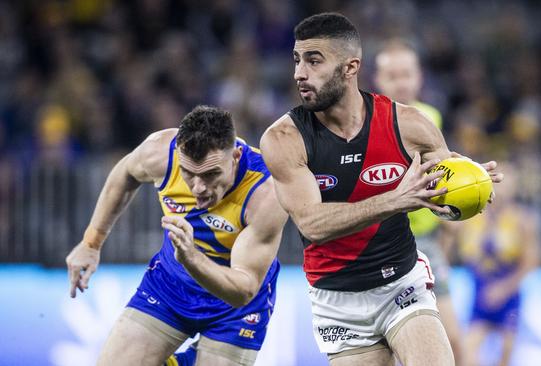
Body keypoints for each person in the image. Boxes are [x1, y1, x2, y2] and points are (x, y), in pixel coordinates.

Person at [260, 12, 502, 366]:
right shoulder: (284, 139)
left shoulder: (411, 125)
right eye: (297, 60)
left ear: (350, 67)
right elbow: (312, 225)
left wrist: (467, 189)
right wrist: (396, 199)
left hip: (401, 282)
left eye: (314, 61)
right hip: (336, 300)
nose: (300, 73)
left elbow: (443, 191)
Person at [65, 106, 288, 366]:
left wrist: (191, 257)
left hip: (235, 309)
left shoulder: (266, 192)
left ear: (236, 157)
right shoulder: (159, 152)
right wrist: (91, 242)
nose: (198, 188)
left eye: (211, 174)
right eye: (189, 174)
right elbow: (124, 173)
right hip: (171, 286)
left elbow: (243, 290)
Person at [374, 38, 464, 365]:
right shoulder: (367, 122)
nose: (401, 82)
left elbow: (444, 173)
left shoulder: (431, 116)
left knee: (452, 337)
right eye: (392, 75)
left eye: (407, 74)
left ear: (419, 77)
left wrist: (450, 231)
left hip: (427, 242)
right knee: (395, 342)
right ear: (378, 80)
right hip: (384, 241)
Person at [455, 163, 541, 366]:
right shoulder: (472, 216)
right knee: (467, 353)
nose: (501, 190)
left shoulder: (522, 220)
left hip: (508, 292)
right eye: (498, 184)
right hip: (481, 290)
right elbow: (451, 238)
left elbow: (531, 262)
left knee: (506, 353)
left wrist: (503, 289)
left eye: (506, 184)